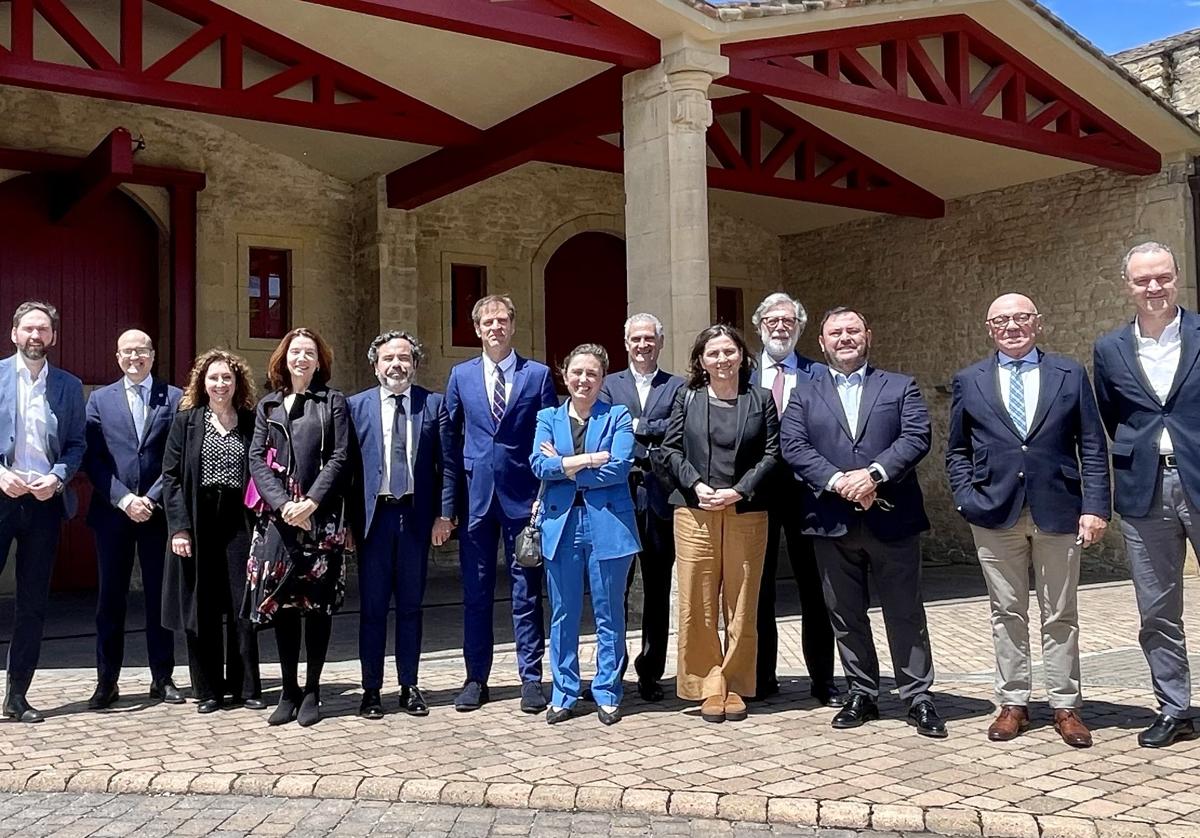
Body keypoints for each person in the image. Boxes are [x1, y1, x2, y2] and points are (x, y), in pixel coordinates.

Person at [947, 294, 1109, 748]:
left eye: (1020, 317)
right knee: (1006, 612)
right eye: (1001, 320)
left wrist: (1095, 506)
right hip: (995, 513)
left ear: (1037, 323)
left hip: (1058, 509)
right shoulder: (970, 379)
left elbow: (1093, 445)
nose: (1012, 326)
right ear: (989, 327)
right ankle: (1013, 702)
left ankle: (1065, 705)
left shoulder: (1069, 373)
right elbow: (957, 448)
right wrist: (966, 499)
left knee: (1060, 612)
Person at [781, 306, 945, 737]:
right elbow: (794, 446)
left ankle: (917, 695)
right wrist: (839, 482)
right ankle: (862, 692)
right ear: (822, 342)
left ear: (868, 335)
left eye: (853, 330)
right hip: (831, 520)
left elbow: (916, 437)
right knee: (845, 613)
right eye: (836, 332)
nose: (845, 338)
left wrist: (872, 475)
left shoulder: (899, 385)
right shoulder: (804, 392)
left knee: (905, 610)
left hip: (892, 515)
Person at [1094, 241, 1200, 748]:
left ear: (1177, 277)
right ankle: (1174, 708)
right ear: (1127, 286)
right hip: (1145, 488)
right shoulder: (1110, 348)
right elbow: (1113, 415)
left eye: (1162, 277)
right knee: (1157, 609)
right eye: (1143, 280)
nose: (1154, 287)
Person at [443, 295, 557, 713]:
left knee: (526, 593)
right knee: (475, 593)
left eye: (502, 320)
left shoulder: (538, 375)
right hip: (476, 503)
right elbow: (450, 445)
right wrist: (448, 506)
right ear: (476, 329)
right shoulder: (461, 376)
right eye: (487, 321)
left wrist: (543, 497)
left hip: (523, 501)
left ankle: (530, 679)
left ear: (513, 326)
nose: (495, 327)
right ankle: (476, 678)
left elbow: (549, 437)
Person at [662, 324, 779, 724]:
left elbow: (772, 453)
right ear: (701, 361)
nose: (722, 360)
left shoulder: (760, 399)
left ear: (742, 357)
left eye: (729, 352)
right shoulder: (687, 397)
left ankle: (735, 682)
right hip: (695, 511)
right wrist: (696, 485)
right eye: (713, 354)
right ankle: (707, 685)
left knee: (742, 602)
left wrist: (740, 490)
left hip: (746, 510)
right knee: (698, 600)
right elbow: (670, 449)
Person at [245, 328, 352, 727]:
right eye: (295, 352)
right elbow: (257, 459)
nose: (302, 359)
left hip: (320, 519)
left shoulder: (332, 402)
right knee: (284, 606)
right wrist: (285, 504)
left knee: (317, 607)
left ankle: (312, 691)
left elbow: (340, 457)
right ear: (283, 359)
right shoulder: (268, 405)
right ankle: (288, 690)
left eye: (309, 353)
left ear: (319, 360)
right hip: (279, 521)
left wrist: (311, 502)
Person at [532, 344, 639, 725]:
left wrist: (564, 465)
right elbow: (538, 465)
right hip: (561, 525)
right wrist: (590, 459)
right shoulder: (548, 417)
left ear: (602, 378)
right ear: (565, 374)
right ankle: (563, 692)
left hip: (608, 524)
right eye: (577, 372)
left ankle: (608, 691)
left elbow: (621, 466)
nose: (584, 380)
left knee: (609, 612)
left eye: (592, 373)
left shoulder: (618, 416)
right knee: (563, 613)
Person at [348, 330, 453, 719]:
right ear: (376, 365)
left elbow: (449, 465)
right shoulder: (355, 406)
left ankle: (409, 685)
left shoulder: (433, 405)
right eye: (389, 359)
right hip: (373, 520)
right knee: (373, 608)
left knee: (411, 606)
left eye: (404, 358)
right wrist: (345, 524)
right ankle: (371, 689)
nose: (397, 365)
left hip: (414, 518)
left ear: (415, 363)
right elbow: (347, 472)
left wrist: (445, 515)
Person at [83, 330, 183, 710]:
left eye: (141, 351)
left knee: (161, 597)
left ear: (153, 355)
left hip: (158, 516)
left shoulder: (173, 398)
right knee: (111, 599)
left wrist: (150, 499)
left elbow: (176, 457)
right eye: (127, 352)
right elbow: (93, 459)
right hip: (112, 515)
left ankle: (163, 678)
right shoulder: (99, 400)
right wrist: (124, 499)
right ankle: (107, 681)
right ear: (117, 356)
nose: (134, 357)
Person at [748, 292, 839, 706]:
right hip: (757, 496)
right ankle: (761, 677)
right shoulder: (741, 372)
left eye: (788, 321)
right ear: (759, 326)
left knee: (815, 590)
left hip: (808, 495)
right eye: (772, 320)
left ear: (800, 328)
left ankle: (823, 680)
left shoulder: (820, 375)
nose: (779, 327)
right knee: (758, 590)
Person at [161, 350, 263, 713]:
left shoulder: (251, 421)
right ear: (202, 383)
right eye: (213, 378)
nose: (220, 384)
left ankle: (246, 687)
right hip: (198, 520)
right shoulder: (187, 421)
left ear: (237, 383)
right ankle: (208, 691)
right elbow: (170, 478)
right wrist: (179, 529)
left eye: (227, 378)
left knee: (242, 604)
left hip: (239, 520)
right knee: (200, 606)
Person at [0, 300, 86, 723]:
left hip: (44, 503)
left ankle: (17, 694)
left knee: (32, 602)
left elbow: (76, 444)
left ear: (53, 337)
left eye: (44, 330)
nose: (36, 336)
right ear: (14, 333)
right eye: (28, 329)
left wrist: (57, 477)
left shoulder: (69, 386)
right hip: (0, 497)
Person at [598, 314, 684, 702]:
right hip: (617, 499)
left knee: (657, 588)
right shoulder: (608, 384)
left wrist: (634, 426)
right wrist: (649, 429)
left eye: (650, 338)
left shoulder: (678, 387)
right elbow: (604, 430)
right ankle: (610, 670)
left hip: (660, 500)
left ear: (660, 343)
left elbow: (678, 432)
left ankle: (651, 672)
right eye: (636, 339)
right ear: (626, 342)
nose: (643, 345)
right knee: (611, 588)